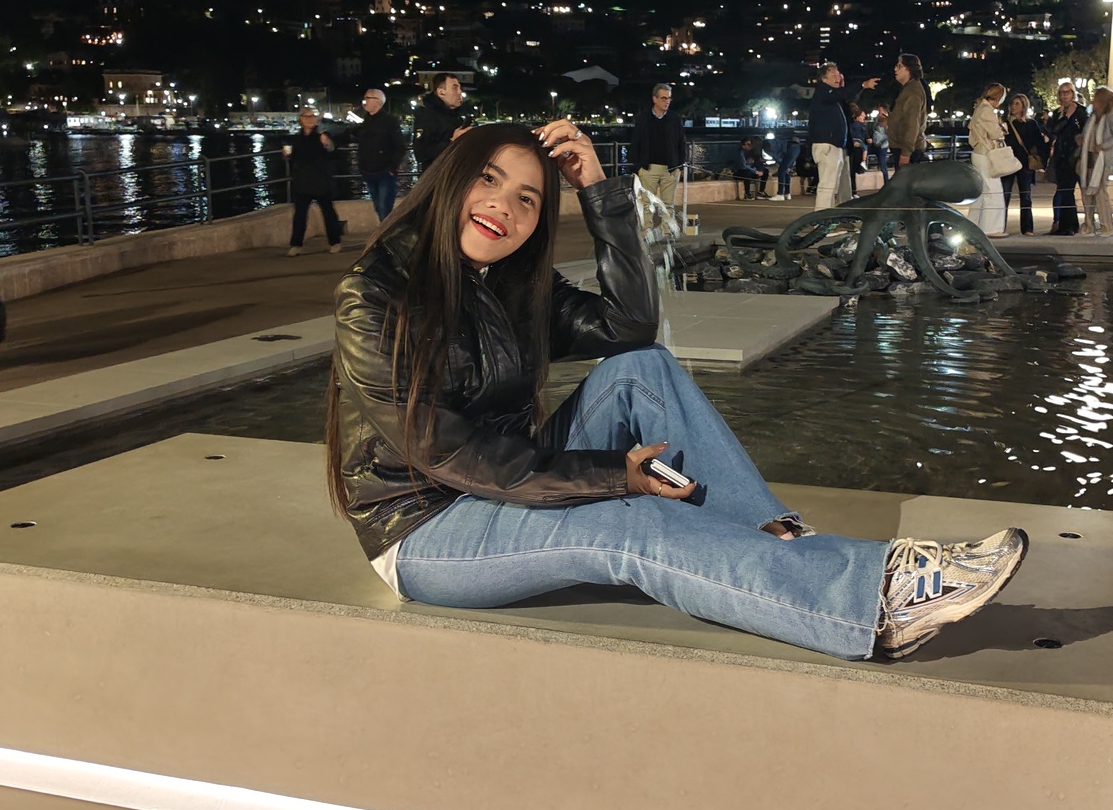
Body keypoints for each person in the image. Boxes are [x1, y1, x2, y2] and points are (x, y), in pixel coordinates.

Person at [326, 119, 1032, 661]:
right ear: (451, 176)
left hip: (506, 481)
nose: (501, 207)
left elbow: (630, 326)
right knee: (630, 522)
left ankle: (779, 538)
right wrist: (613, 476)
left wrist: (600, 194)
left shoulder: (511, 283)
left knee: (644, 368)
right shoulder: (375, 294)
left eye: (526, 198)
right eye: (487, 180)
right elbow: (442, 451)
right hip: (425, 527)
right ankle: (873, 603)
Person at [808, 63, 879, 211]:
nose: (837, 78)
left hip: (834, 145)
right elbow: (843, 94)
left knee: (831, 186)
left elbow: (845, 97)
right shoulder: (823, 92)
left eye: (838, 75)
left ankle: (825, 216)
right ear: (824, 79)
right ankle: (821, 216)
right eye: (833, 75)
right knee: (827, 185)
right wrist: (862, 85)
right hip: (828, 145)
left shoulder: (831, 97)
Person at [280, 106, 345, 256]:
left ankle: (335, 242)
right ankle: (296, 244)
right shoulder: (296, 138)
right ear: (301, 119)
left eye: (313, 116)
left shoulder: (322, 135)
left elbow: (333, 151)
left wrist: (327, 144)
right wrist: (286, 155)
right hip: (302, 181)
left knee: (328, 213)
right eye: (307, 116)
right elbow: (293, 158)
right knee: (300, 215)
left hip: (321, 180)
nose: (310, 119)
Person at [967, 83, 1018, 234]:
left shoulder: (979, 108)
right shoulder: (987, 111)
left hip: (979, 152)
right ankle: (992, 228)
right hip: (986, 154)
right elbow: (996, 133)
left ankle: (974, 226)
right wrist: (1003, 127)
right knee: (993, 192)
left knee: (981, 193)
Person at [352, 87, 406, 223]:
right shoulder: (367, 120)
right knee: (378, 206)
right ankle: (386, 232)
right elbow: (354, 133)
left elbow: (400, 146)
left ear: (377, 101)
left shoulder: (389, 121)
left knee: (384, 207)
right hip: (368, 170)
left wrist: (392, 168)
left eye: (367, 98)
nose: (364, 101)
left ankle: (386, 233)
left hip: (384, 171)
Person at [630, 83, 686, 211]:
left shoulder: (675, 119)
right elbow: (635, 143)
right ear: (654, 99)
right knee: (647, 205)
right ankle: (647, 225)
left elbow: (681, 143)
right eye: (663, 98)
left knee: (668, 206)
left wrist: (679, 166)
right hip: (648, 169)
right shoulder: (643, 119)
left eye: (669, 98)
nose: (667, 102)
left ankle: (667, 226)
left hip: (671, 169)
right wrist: (638, 167)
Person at [1078, 86, 1113, 235]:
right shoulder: (1092, 117)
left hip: (1104, 160)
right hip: (1089, 157)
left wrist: (1103, 146)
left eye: (1097, 99)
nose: (1094, 101)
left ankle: (1107, 225)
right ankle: (1089, 224)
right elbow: (1087, 134)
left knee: (1100, 192)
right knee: (1087, 191)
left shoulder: (1111, 116)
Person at [1045, 82, 1088, 236]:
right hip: (1061, 155)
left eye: (1067, 92)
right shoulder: (1057, 113)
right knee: (1064, 191)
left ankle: (1079, 224)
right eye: (1062, 93)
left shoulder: (1081, 112)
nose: (1064, 95)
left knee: (1079, 190)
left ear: (1073, 94)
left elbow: (1086, 131)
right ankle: (1065, 225)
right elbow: (1052, 130)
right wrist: (1065, 117)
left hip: (1075, 155)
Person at [410, 73, 470, 173]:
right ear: (441, 92)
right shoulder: (426, 116)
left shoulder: (455, 116)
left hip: (454, 176)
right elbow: (421, 153)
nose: (460, 92)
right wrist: (452, 141)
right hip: (437, 177)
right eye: (454, 88)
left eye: (460, 88)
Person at [1005, 92, 1045, 235]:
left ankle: (1027, 227)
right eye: (1012, 103)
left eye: (1017, 104)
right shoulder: (1006, 124)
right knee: (1004, 195)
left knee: (1026, 196)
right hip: (1009, 162)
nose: (1013, 106)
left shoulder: (1031, 124)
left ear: (1024, 106)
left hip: (1025, 163)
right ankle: (1000, 225)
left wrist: (1038, 156)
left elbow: (1038, 142)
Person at [887, 55, 930, 167]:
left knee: (905, 178)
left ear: (909, 68)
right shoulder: (909, 89)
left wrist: (906, 153)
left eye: (899, 66)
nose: (895, 69)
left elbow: (913, 123)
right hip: (906, 147)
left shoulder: (912, 92)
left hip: (907, 149)